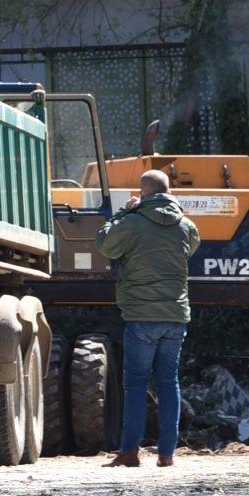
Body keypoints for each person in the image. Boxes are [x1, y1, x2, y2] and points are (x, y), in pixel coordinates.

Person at [96, 169, 200, 468]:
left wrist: (121, 213)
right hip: (175, 317)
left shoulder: (131, 222)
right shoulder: (186, 226)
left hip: (141, 316)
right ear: (169, 192)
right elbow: (190, 249)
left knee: (137, 384)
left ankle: (130, 452)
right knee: (169, 383)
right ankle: (167, 454)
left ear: (142, 194)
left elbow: (105, 244)